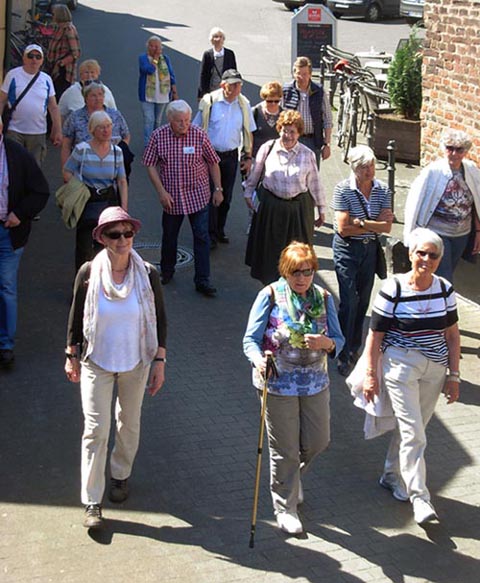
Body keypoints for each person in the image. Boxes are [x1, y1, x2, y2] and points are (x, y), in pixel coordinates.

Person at [65, 206, 167, 529]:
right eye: (114, 234)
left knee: (129, 424)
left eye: (128, 233)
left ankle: (120, 474)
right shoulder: (88, 274)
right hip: (96, 361)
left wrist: (160, 361)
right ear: (102, 238)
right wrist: (71, 353)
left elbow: (160, 319)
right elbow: (76, 315)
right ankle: (92, 501)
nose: (123, 239)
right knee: (96, 429)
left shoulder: (147, 273)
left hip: (136, 362)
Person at [243, 241, 344, 534]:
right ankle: (284, 507)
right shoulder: (270, 295)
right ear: (285, 272)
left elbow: (339, 338)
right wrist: (258, 359)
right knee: (284, 449)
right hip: (277, 384)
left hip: (315, 382)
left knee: (318, 441)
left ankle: (293, 479)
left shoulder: (324, 297)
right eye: (295, 272)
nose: (301, 278)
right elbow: (250, 339)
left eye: (308, 271)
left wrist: (327, 343)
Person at [362, 228, 460, 525]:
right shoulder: (394, 289)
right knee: (414, 433)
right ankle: (420, 497)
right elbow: (375, 335)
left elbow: (453, 335)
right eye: (421, 253)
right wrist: (370, 374)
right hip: (401, 366)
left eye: (433, 255)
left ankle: (392, 475)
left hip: (435, 368)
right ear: (410, 254)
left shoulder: (444, 288)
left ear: (440, 259)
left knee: (412, 430)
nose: (426, 260)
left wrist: (454, 375)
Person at [143, 100, 222, 297]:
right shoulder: (158, 136)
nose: (184, 124)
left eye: (187, 120)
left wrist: (218, 189)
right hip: (173, 197)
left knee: (202, 237)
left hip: (198, 195)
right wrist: (161, 192)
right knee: (169, 237)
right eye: (179, 121)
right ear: (169, 119)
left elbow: (213, 162)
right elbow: (150, 164)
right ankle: (167, 271)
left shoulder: (199, 134)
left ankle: (203, 280)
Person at [331, 145, 394, 377]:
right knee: (349, 301)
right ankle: (343, 350)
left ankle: (352, 345)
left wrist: (361, 223)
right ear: (355, 169)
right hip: (347, 250)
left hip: (369, 251)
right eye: (365, 167)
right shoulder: (342, 190)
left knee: (363, 301)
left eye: (372, 166)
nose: (370, 171)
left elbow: (386, 227)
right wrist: (371, 223)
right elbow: (343, 229)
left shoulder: (383, 190)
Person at [245, 110, 326, 285]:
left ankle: (295, 287)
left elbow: (315, 184)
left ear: (299, 133)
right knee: (269, 254)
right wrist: (248, 193)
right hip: (271, 207)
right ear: (279, 129)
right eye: (285, 130)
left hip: (298, 211)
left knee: (298, 255)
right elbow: (255, 173)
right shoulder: (268, 148)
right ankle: (271, 289)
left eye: (292, 132)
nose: (288, 135)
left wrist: (321, 208)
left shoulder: (307, 154)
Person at [404, 129, 480, 284]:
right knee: (445, 277)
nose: (453, 153)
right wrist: (411, 235)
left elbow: (476, 203)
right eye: (449, 148)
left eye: (459, 149)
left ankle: (430, 297)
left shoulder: (471, 170)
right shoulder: (433, 171)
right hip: (437, 233)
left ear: (465, 151)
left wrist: (478, 231)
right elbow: (414, 202)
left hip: (462, 234)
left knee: (445, 272)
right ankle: (444, 305)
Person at [0, 136, 50, 367]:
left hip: (8, 234)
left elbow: (40, 191)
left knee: (6, 287)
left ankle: (5, 346)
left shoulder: (17, 155)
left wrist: (19, 214)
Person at [193, 69, 256, 245]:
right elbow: (196, 126)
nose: (237, 88)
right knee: (212, 194)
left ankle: (219, 229)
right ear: (223, 85)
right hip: (210, 155)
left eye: (239, 85)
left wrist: (248, 156)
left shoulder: (244, 104)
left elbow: (248, 131)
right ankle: (210, 234)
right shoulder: (210, 102)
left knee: (226, 196)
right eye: (233, 85)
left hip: (230, 156)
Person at [63, 111, 128, 271]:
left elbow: (121, 181)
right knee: (85, 247)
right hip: (87, 201)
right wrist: (78, 187)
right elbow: (67, 171)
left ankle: (103, 282)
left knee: (106, 246)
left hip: (108, 201)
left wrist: (124, 209)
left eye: (108, 127)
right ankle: (82, 284)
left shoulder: (116, 152)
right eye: (101, 128)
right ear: (92, 130)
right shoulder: (82, 150)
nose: (106, 131)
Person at [0, 44, 62, 166]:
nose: (34, 59)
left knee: (34, 167)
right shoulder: (13, 75)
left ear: (42, 60)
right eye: (31, 56)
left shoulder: (46, 79)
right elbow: (1, 101)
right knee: (14, 165)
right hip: (14, 130)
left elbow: (53, 107)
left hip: (38, 132)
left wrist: (57, 129)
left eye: (38, 57)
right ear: (24, 58)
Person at [61, 81, 131, 174]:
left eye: (100, 94)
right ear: (85, 98)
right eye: (93, 95)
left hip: (111, 168)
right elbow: (66, 145)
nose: (98, 98)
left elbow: (126, 135)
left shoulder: (115, 115)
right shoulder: (75, 117)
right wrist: (66, 172)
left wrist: (120, 150)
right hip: (83, 169)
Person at [282, 56, 333, 166]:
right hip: (292, 140)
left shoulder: (319, 91)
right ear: (294, 74)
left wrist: (327, 144)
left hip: (313, 141)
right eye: (298, 73)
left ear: (310, 74)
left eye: (305, 74)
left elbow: (327, 119)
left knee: (311, 177)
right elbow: (281, 117)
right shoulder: (286, 90)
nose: (301, 77)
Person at [138, 36, 178, 147]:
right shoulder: (143, 58)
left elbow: (171, 74)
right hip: (147, 95)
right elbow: (149, 70)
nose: (154, 48)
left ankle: (157, 142)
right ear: (148, 46)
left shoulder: (166, 58)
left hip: (162, 94)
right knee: (148, 119)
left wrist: (174, 91)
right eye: (152, 46)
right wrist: (155, 58)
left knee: (157, 121)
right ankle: (148, 145)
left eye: (157, 46)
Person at [45, 4, 81, 99]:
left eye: (53, 14)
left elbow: (76, 53)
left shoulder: (68, 29)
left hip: (63, 70)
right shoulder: (57, 27)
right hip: (53, 67)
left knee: (59, 96)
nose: (52, 16)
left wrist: (60, 64)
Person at [197, 27, 237, 99]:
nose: (218, 39)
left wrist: (234, 90)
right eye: (216, 37)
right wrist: (201, 94)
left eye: (220, 37)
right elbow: (203, 75)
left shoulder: (230, 54)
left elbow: (234, 73)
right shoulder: (207, 54)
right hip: (211, 92)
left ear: (223, 39)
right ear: (212, 40)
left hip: (226, 91)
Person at [251, 81, 283, 159]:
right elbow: (249, 136)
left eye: (276, 101)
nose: (273, 104)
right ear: (264, 98)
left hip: (276, 157)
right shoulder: (255, 112)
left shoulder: (283, 114)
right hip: (257, 156)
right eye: (269, 101)